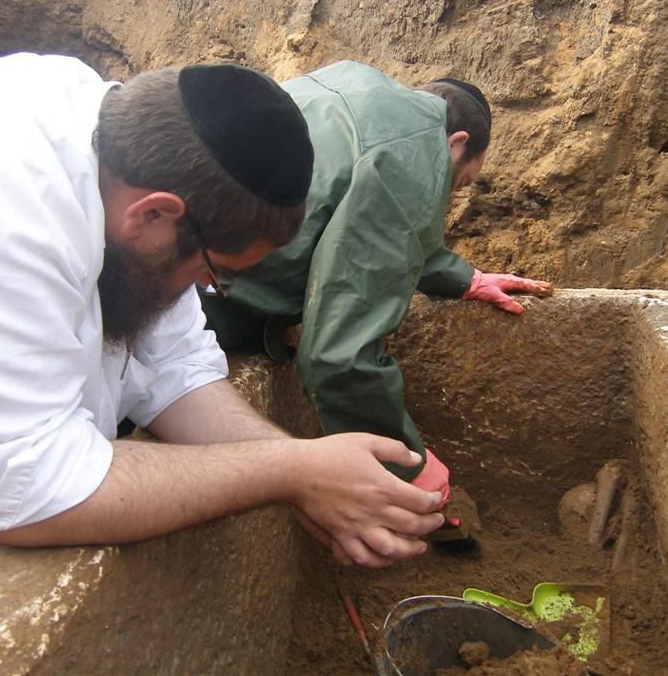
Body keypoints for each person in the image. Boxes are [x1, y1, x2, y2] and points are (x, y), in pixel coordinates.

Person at [0, 53, 448, 675]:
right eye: (212, 275)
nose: (200, 291)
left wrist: (308, 474)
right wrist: (291, 469)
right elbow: (27, 488)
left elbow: (173, 364)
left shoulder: (124, 150)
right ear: (154, 214)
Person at [201, 60, 552, 500]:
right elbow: (336, 354)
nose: (444, 194)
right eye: (456, 183)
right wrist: (405, 463)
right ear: (456, 142)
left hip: (189, 257)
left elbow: (362, 220)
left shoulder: (352, 84)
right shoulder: (415, 155)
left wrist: (465, 278)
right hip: (200, 282)